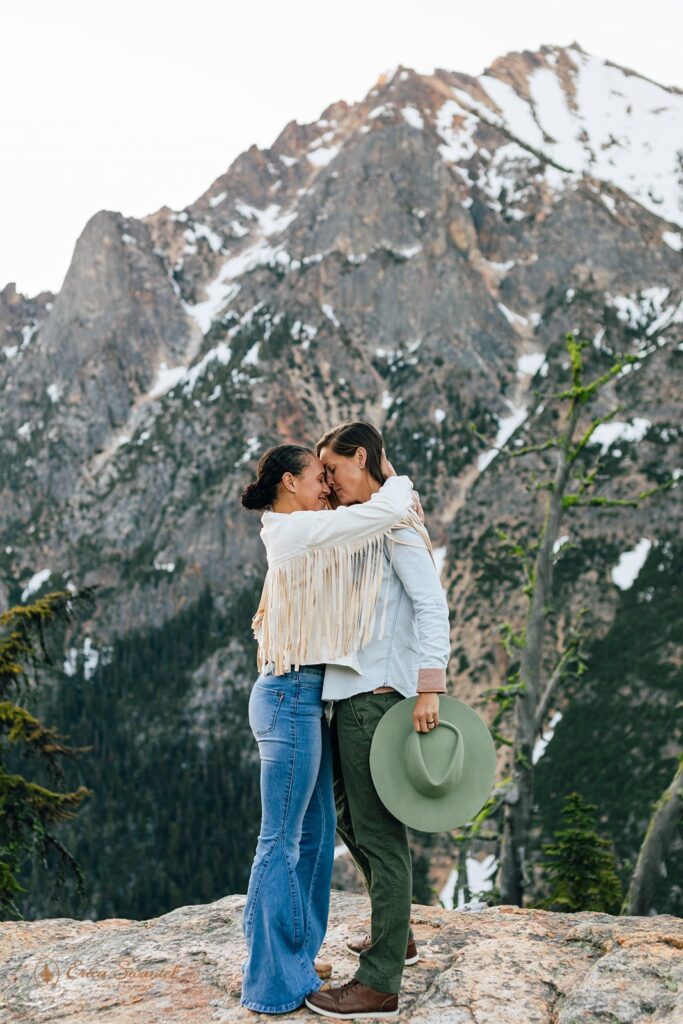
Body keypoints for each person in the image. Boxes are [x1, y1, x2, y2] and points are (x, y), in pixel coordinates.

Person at [238, 442, 422, 1015]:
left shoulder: (306, 532)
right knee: (281, 841)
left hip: (303, 700)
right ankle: (270, 982)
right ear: (290, 483)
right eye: (318, 478)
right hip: (289, 697)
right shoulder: (290, 533)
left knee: (315, 839)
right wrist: (397, 480)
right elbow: (380, 514)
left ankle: (292, 956)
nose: (326, 487)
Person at [304, 421, 451, 1021]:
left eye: (333, 470)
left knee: (380, 834)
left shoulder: (395, 521)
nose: (329, 483)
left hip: (377, 697)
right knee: (347, 819)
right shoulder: (372, 519)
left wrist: (429, 687)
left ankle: (380, 983)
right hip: (349, 697)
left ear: (360, 458)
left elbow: (430, 602)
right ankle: (397, 933)